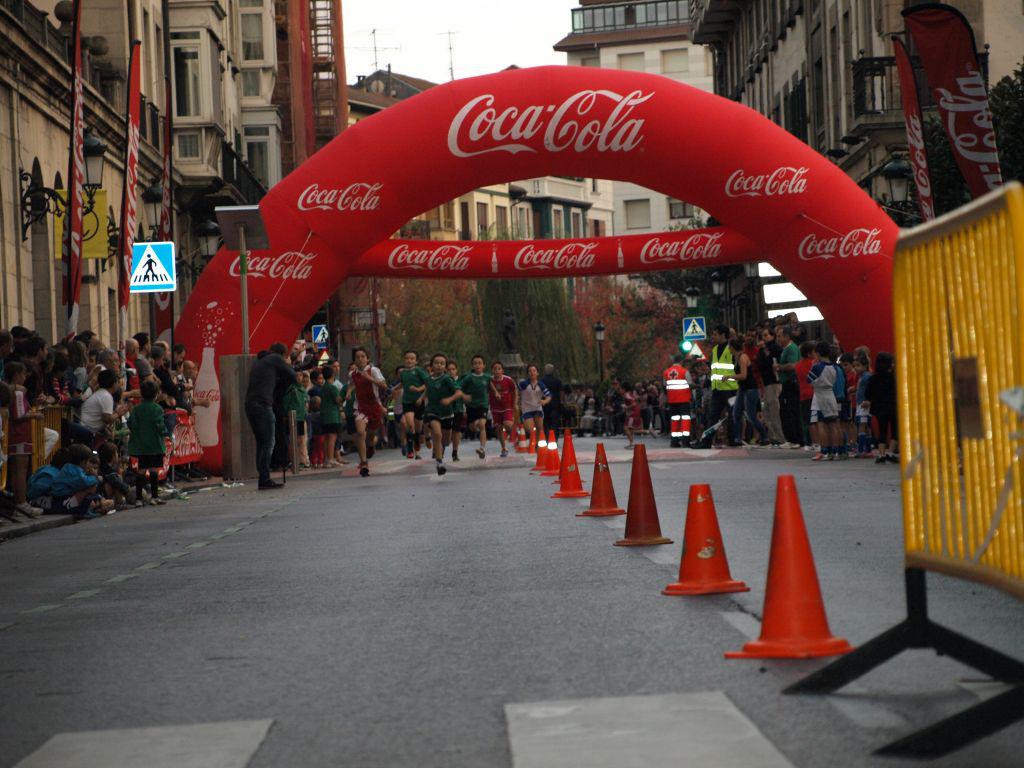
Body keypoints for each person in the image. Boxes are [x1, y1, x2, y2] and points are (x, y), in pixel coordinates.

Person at [244, 342, 296, 489]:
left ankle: (263, 476)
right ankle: (264, 479)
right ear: (282, 354)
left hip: (251, 404)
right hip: (263, 404)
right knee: (269, 441)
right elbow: (292, 375)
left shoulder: (260, 362)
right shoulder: (275, 358)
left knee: (261, 442)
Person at [3, 361, 44, 518]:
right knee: (20, 470)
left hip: (15, 435)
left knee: (16, 470)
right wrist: (35, 415)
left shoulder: (10, 390)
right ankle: (22, 502)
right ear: (16, 375)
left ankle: (17, 503)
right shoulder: (18, 392)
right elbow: (19, 414)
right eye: (22, 374)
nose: (25, 377)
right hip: (20, 434)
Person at [127, 380, 169, 504]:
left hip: (140, 445)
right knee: (153, 470)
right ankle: (154, 497)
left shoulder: (136, 409)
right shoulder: (157, 409)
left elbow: (130, 423)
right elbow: (160, 425)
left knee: (141, 470)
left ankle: (139, 499)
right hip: (154, 444)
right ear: (156, 394)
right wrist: (166, 433)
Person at [424, 353, 463, 476]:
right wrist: (420, 398)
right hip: (432, 411)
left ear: (445, 367)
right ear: (431, 366)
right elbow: (427, 390)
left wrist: (449, 400)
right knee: (437, 433)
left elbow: (459, 393)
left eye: (442, 363)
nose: (439, 365)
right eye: (436, 363)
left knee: (446, 441)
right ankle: (439, 462)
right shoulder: (428, 379)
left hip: (446, 412)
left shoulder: (447, 379)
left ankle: (440, 448)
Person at [350, 347, 387, 477]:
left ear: (367, 358)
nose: (360, 359)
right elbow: (352, 384)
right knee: (360, 433)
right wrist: (348, 393)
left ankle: (371, 446)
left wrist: (369, 378)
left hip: (374, 407)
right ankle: (364, 463)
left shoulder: (374, 370)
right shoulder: (353, 373)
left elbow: (384, 386)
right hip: (360, 407)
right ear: (354, 360)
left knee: (371, 436)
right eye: (357, 357)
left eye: (363, 356)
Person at [726, 336, 768, 446]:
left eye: (729, 347)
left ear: (733, 347)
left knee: (751, 415)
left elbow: (743, 375)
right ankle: (737, 438)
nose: (728, 349)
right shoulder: (736, 357)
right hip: (743, 388)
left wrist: (729, 377)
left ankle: (764, 436)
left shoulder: (742, 357)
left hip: (750, 389)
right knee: (736, 413)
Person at [50, 444, 112, 519]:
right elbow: (85, 482)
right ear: (83, 462)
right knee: (91, 486)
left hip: (65, 496)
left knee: (92, 491)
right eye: (88, 461)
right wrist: (95, 477)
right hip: (61, 499)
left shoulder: (71, 468)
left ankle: (94, 507)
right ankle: (85, 511)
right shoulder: (73, 470)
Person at [806, 341, 840, 461]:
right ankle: (836, 451)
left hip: (820, 396)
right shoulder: (834, 367)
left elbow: (808, 379)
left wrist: (813, 365)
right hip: (831, 395)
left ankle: (825, 451)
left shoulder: (817, 367)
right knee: (833, 424)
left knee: (821, 424)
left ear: (818, 353)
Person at [706, 324, 738, 447]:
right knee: (712, 415)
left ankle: (733, 440)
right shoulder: (715, 349)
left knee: (732, 415)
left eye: (715, 334)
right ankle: (706, 441)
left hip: (730, 388)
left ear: (723, 335)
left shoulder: (731, 348)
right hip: (717, 389)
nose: (713, 336)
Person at [864, 352, 898, 464]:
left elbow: (868, 393)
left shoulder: (873, 378)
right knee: (894, 430)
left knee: (882, 430)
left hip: (879, 408)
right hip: (893, 406)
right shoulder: (894, 378)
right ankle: (890, 453)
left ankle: (881, 454)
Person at [756, 327, 787, 446]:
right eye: (762, 336)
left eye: (766, 335)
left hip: (774, 382)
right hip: (766, 383)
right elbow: (760, 365)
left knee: (774, 410)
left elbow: (772, 363)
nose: (764, 338)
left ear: (772, 336)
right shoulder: (762, 350)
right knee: (767, 411)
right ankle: (772, 435)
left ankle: (780, 437)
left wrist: (766, 353)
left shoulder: (775, 348)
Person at [774, 326, 803, 447]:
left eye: (779, 336)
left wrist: (779, 367)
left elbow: (793, 365)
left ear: (786, 336)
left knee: (790, 411)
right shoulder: (786, 349)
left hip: (790, 384)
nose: (778, 339)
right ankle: (792, 438)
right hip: (786, 384)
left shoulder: (791, 349)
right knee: (786, 411)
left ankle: (795, 439)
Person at [399, 350, 428, 460]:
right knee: (410, 425)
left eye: (412, 358)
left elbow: (427, 383)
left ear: (416, 361)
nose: (409, 360)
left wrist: (418, 391)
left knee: (418, 428)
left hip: (419, 402)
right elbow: (402, 384)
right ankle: (410, 449)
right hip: (407, 402)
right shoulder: (402, 372)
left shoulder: (419, 371)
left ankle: (416, 441)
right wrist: (392, 389)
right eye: (407, 358)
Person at [460, 355, 491, 459]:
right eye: (475, 363)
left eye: (479, 363)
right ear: (472, 366)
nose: (477, 365)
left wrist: (496, 393)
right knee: (472, 428)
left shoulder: (487, 377)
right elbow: (459, 389)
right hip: (471, 406)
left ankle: (482, 448)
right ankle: (475, 424)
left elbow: (493, 387)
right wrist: (464, 396)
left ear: (484, 365)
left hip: (483, 405)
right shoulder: (468, 378)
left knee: (482, 424)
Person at [489, 361, 518, 457]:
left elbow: (515, 391)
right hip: (495, 408)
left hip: (507, 407)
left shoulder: (508, 380)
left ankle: (514, 434)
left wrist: (515, 404)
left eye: (499, 369)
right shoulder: (489, 381)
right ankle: (504, 448)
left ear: (502, 370)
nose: (497, 371)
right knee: (498, 429)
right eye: (495, 369)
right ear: (492, 370)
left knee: (507, 424)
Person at [662, 354, 692, 447]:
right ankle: (685, 441)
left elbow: (664, 386)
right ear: (681, 361)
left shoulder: (666, 372)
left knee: (675, 420)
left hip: (672, 401)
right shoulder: (684, 371)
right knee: (685, 420)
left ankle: (674, 441)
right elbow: (690, 384)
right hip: (684, 400)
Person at [518, 365, 551, 447]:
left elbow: (549, 396)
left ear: (537, 373)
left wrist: (544, 401)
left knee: (539, 428)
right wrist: (517, 402)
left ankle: (537, 444)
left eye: (534, 371)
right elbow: (516, 392)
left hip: (537, 409)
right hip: (527, 410)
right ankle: (533, 440)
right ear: (527, 373)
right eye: (530, 371)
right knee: (529, 429)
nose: (532, 372)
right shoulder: (523, 384)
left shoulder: (541, 385)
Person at [284, 372, 311, 469]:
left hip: (301, 417)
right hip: (293, 416)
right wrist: (286, 414)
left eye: (300, 375)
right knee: (293, 440)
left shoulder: (302, 389)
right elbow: (286, 403)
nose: (299, 377)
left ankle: (301, 460)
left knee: (301, 440)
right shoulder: (291, 389)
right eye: (297, 375)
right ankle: (293, 461)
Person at [318, 364, 343, 468]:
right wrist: (344, 396)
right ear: (332, 375)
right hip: (333, 416)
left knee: (326, 438)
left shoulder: (323, 388)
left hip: (324, 415)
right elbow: (338, 401)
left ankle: (326, 459)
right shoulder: (332, 388)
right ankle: (331, 459)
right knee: (332, 438)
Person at [853, 354, 874, 458]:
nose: (856, 368)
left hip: (864, 404)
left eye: (858, 365)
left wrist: (868, 400)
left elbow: (871, 389)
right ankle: (867, 449)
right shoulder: (861, 376)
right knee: (865, 426)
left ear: (865, 366)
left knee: (862, 425)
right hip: (860, 403)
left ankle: (862, 449)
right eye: (854, 366)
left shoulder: (867, 376)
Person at [446, 360, 468, 461]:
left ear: (456, 370)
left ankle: (455, 452)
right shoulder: (444, 381)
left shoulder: (461, 381)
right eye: (449, 369)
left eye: (453, 369)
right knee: (447, 432)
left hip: (458, 409)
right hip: (446, 410)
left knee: (456, 431)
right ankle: (442, 447)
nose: (451, 371)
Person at [540, 364, 563, 431]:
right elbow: (561, 392)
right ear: (553, 371)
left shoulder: (541, 381)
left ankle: (546, 434)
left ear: (545, 370)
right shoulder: (557, 381)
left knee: (545, 421)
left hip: (545, 404)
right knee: (555, 422)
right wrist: (561, 401)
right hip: (555, 404)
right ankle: (555, 434)